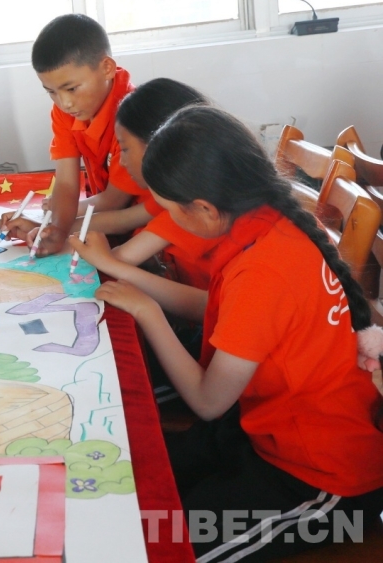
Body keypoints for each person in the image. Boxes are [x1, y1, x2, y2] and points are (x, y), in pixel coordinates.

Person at [87, 106, 383, 560]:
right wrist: (124, 276)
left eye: (170, 211)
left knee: (160, 544)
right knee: (128, 476)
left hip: (321, 478)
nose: (167, 221)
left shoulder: (264, 268)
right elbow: (225, 314)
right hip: (260, 429)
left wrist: (148, 312)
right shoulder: (265, 221)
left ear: (205, 209)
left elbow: (208, 401)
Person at [0, 14, 144, 256]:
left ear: (107, 68)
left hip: (140, 223)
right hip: (105, 217)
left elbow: (115, 201)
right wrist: (53, 227)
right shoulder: (66, 110)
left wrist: (55, 226)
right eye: (51, 92)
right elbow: (66, 183)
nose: (64, 103)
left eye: (72, 88)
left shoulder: (133, 116)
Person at [72, 78, 218, 291]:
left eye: (125, 149)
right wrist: (54, 228)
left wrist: (65, 236)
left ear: (158, 147)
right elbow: (121, 220)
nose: (122, 162)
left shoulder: (190, 207)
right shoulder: (177, 193)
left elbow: (120, 258)